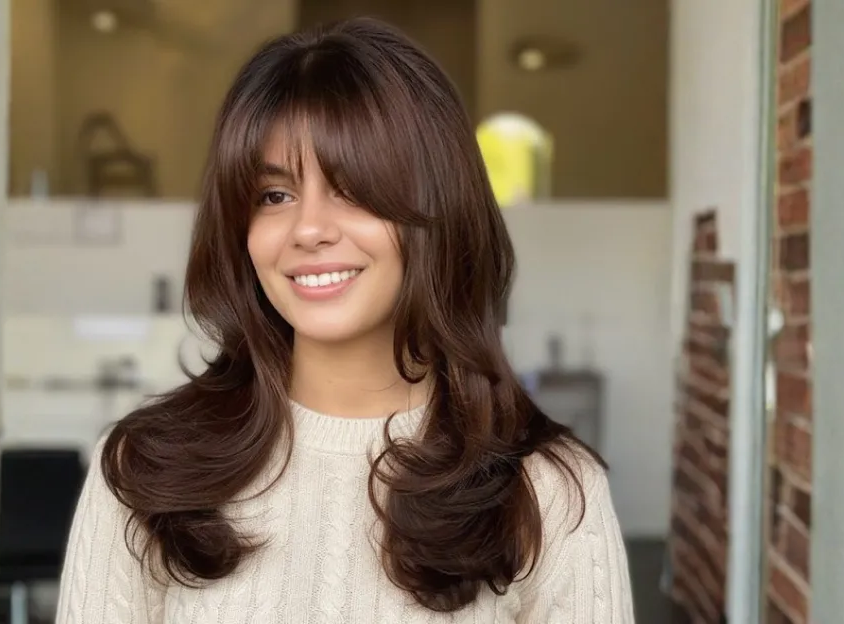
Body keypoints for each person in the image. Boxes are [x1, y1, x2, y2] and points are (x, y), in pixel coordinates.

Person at [55, 16, 634, 624]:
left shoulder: (549, 494)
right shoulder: (143, 472)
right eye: (273, 196)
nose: (308, 230)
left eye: (353, 189)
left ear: (440, 210)